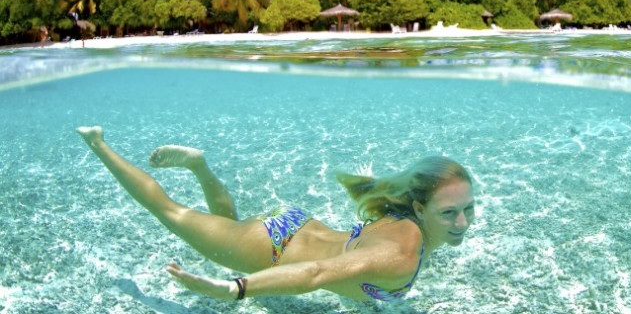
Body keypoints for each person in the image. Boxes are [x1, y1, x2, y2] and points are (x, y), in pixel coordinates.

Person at [75, 126, 475, 302]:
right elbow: (317, 274)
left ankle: (200, 167)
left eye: (468, 210)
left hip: (294, 223)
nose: (462, 223)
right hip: (274, 250)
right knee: (171, 212)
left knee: (229, 225)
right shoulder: (402, 254)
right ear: (421, 207)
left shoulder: (405, 217)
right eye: (451, 213)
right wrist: (237, 289)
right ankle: (98, 144)